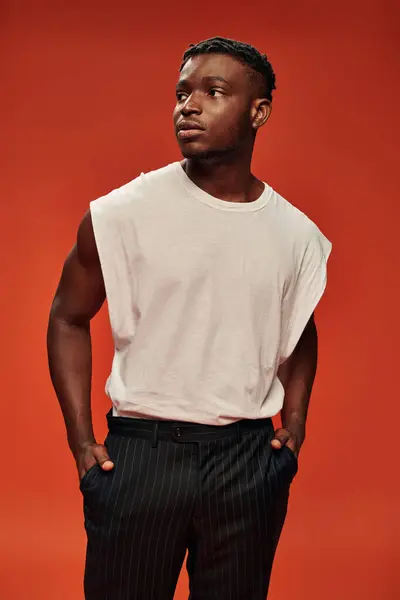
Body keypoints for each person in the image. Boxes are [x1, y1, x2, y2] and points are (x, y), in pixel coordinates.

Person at [47, 36, 332, 600]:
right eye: (182, 93)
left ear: (259, 111)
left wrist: (293, 427)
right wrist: (84, 445)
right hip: (141, 457)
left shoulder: (296, 235)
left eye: (213, 91)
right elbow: (66, 317)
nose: (188, 105)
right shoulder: (122, 213)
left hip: (249, 461)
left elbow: (300, 329)